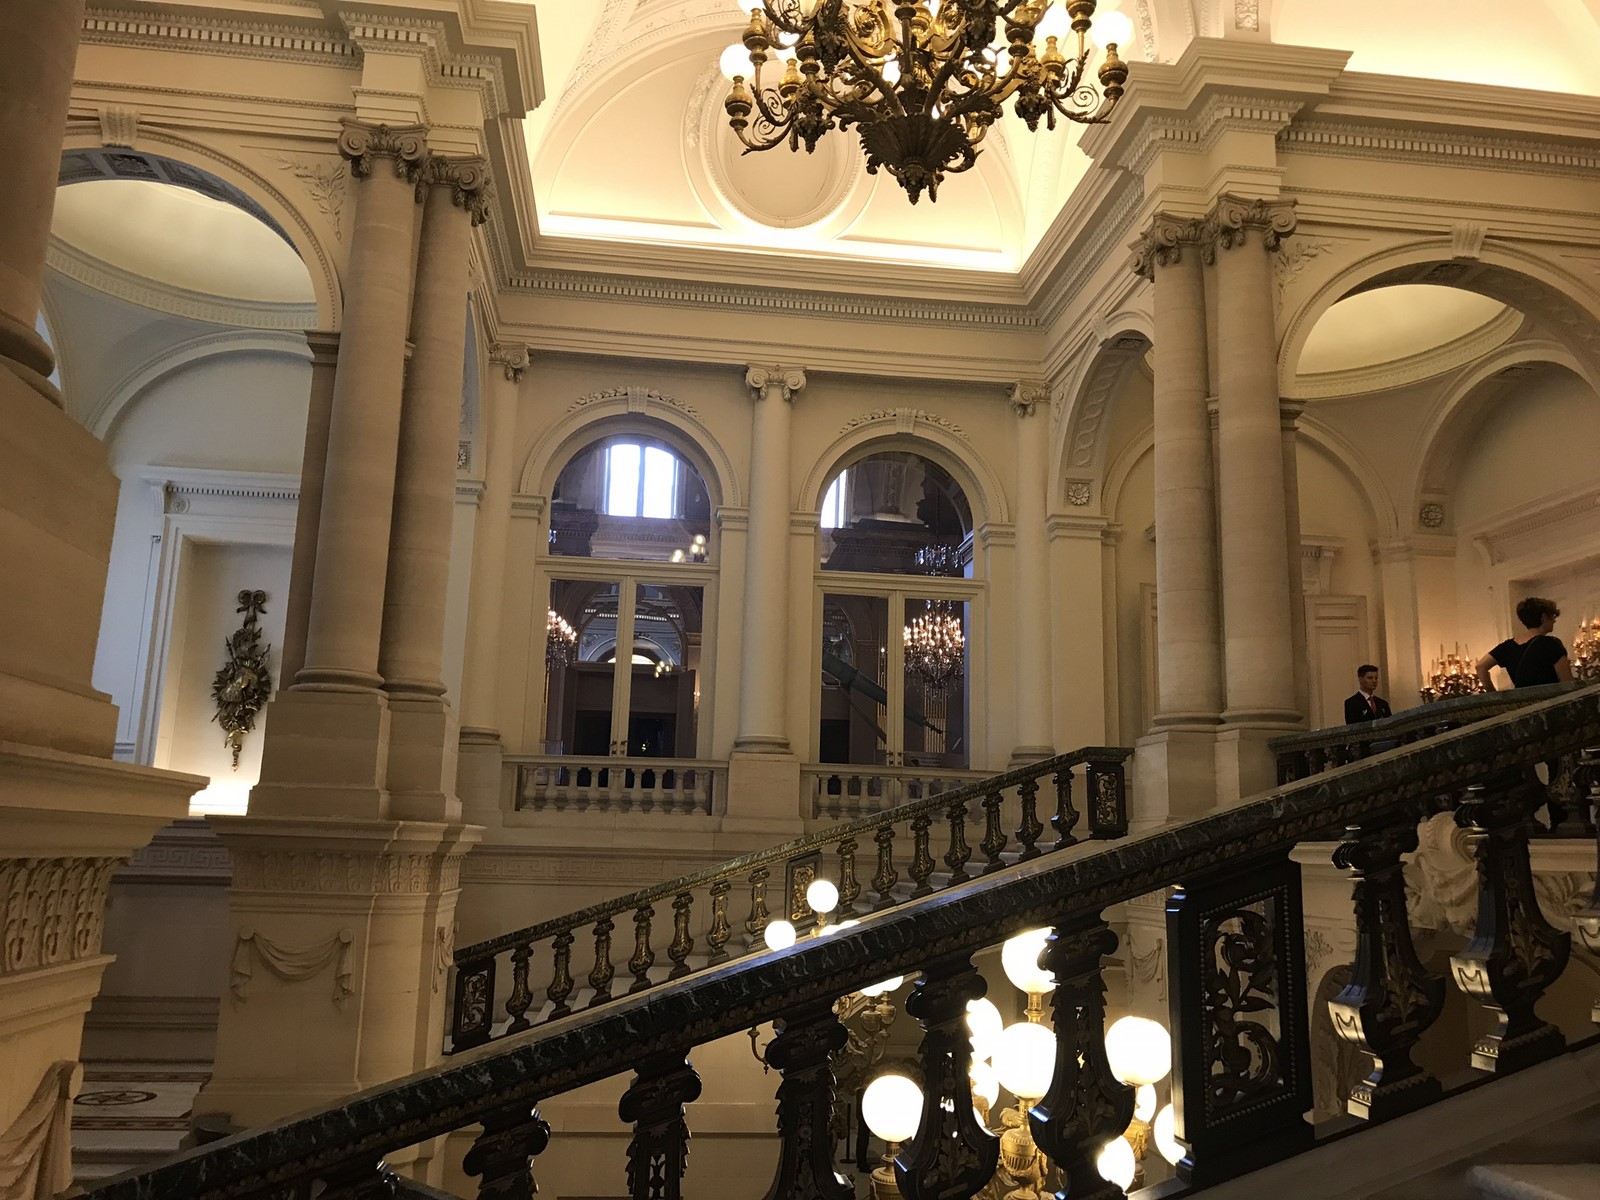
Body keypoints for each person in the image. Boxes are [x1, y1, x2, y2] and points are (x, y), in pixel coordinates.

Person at [1476, 597, 1574, 691]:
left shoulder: (1507, 647)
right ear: (1544, 617)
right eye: (1553, 616)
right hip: (1551, 700)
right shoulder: (1551, 644)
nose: (1554, 621)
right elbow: (1567, 683)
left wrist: (1493, 695)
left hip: (1524, 700)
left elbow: (1480, 666)